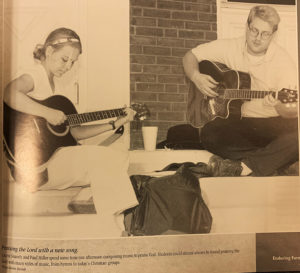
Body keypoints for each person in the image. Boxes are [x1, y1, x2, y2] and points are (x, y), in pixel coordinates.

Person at [3, 27, 138, 236]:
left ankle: (88, 201)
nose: (68, 66)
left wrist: (114, 124)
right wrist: (46, 113)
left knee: (119, 156)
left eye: (73, 62)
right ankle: (114, 227)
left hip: (55, 159)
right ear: (48, 51)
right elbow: (9, 93)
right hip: (35, 167)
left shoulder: (58, 90)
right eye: (64, 59)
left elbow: (75, 133)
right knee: (103, 159)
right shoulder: (35, 75)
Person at [183, 5, 298, 177]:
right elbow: (190, 56)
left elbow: (292, 111)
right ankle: (274, 161)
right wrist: (197, 77)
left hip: (271, 124)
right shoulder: (230, 47)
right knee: (209, 134)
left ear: (273, 34)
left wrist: (278, 105)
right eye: (254, 30)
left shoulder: (283, 61)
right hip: (241, 124)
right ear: (247, 26)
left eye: (265, 34)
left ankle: (246, 166)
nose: (258, 38)